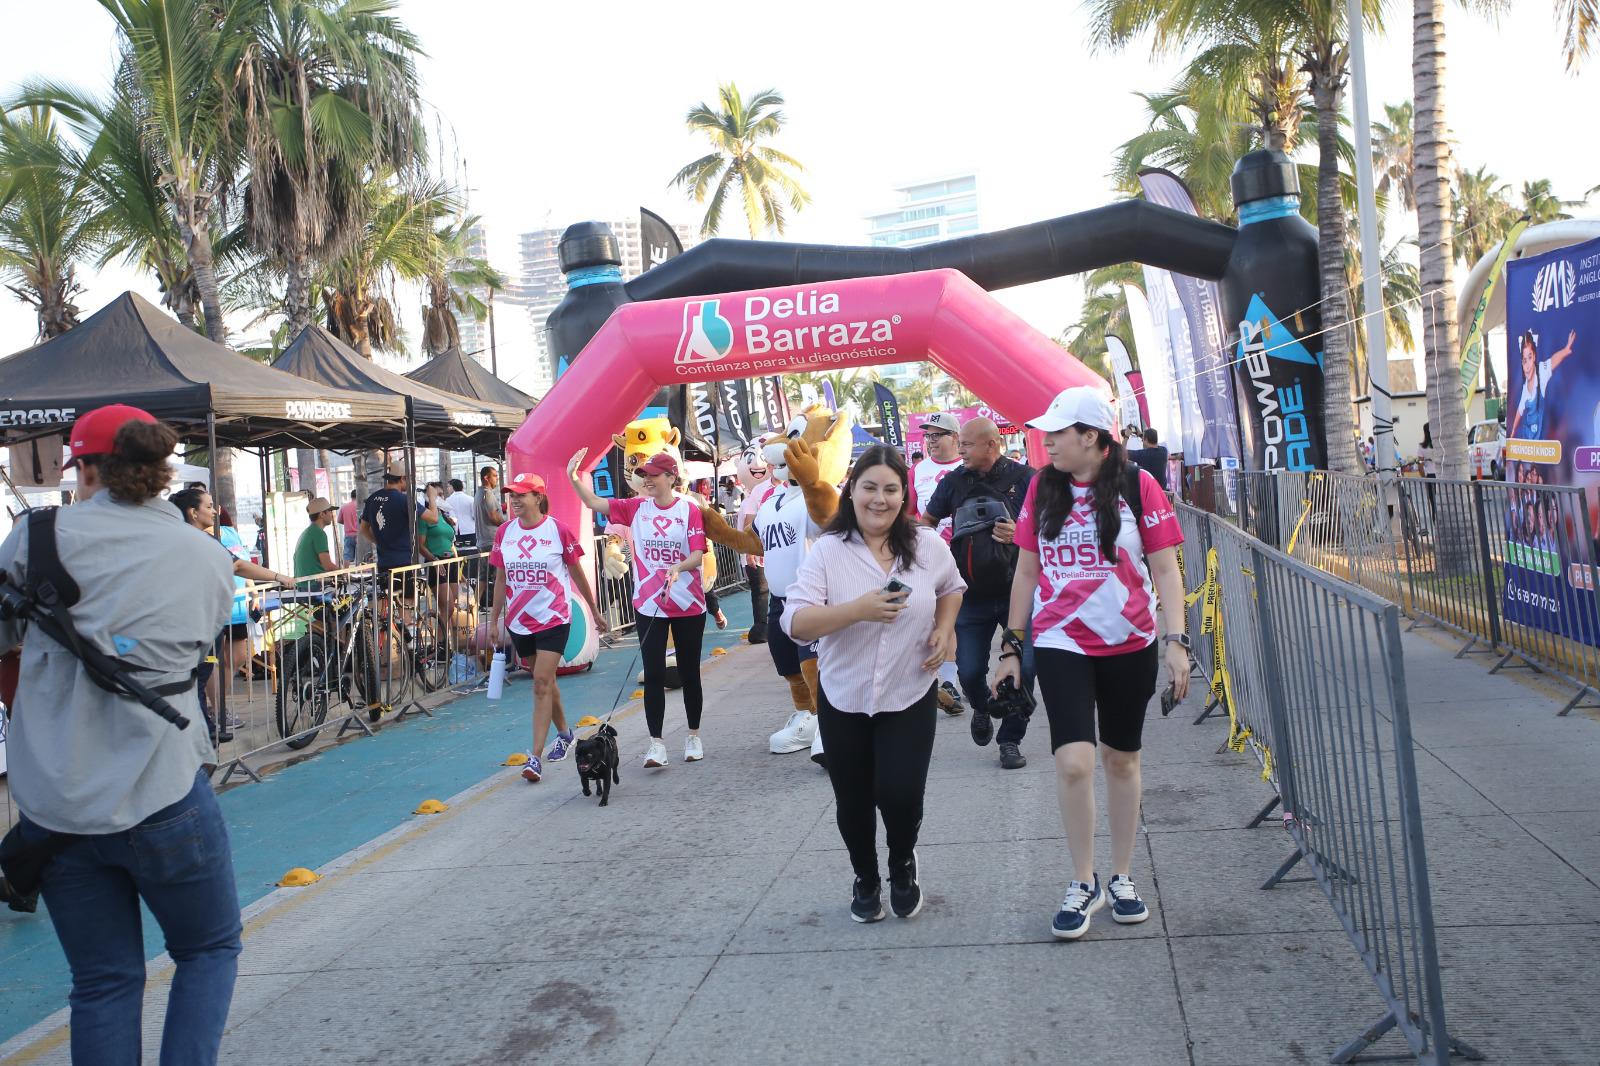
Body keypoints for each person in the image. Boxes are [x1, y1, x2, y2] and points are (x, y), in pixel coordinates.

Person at [0, 405, 241, 1062]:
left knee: (103, 982)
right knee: (208, 948)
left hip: (61, 810)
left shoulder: (32, 540)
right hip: (165, 791)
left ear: (82, 467)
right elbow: (196, 652)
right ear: (162, 472)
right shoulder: (205, 556)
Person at [995, 386, 1189, 940]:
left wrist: (1177, 642)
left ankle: (1123, 876)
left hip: (1131, 641)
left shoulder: (1138, 485)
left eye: (1058, 432)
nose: (1047, 440)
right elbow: (1027, 574)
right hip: (1060, 642)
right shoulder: (1041, 489)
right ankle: (1084, 881)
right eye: (1046, 431)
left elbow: (1168, 570)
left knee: (1121, 760)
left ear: (1094, 438)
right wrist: (1011, 648)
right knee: (1074, 762)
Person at [784, 445, 965, 923]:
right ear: (851, 491)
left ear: (904, 495)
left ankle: (902, 863)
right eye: (869, 488)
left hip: (910, 690)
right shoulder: (828, 550)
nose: (879, 499)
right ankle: (865, 877)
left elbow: (952, 587)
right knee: (854, 799)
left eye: (890, 489)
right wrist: (856, 611)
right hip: (844, 696)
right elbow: (797, 622)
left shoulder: (926, 545)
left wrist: (944, 630)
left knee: (901, 793)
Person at [569, 448, 708, 767]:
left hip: (688, 603)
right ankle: (656, 744)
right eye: (643, 474)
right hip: (649, 605)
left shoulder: (689, 510)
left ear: (671, 478)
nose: (646, 479)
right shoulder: (635, 509)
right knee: (655, 672)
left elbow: (698, 554)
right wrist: (573, 478)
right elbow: (594, 503)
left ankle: (693, 735)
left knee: (689, 673)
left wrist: (679, 567)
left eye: (653, 474)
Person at [920, 416, 1036, 769]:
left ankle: (1010, 741)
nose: (961, 450)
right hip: (970, 595)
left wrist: (1019, 534)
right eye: (960, 443)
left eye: (967, 444)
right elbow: (926, 522)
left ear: (992, 445)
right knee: (969, 672)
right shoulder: (954, 482)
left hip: (1018, 590)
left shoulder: (1026, 479)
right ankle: (983, 707)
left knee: (1025, 667)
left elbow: (1048, 531)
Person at [490, 472, 608, 784]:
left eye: (521, 494)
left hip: (554, 617)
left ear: (538, 497)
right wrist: (494, 619)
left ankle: (535, 757)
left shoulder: (558, 530)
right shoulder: (504, 533)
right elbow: (501, 578)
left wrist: (594, 610)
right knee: (546, 681)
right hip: (520, 621)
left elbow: (576, 572)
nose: (514, 500)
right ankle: (566, 734)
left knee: (540, 683)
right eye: (511, 494)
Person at [171, 488, 293, 730]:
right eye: (208, 506)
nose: (215, 511)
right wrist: (279, 577)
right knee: (196, 682)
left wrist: (274, 579)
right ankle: (203, 738)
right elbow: (237, 566)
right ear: (193, 512)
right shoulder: (198, 541)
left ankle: (205, 730)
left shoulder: (183, 539)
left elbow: (237, 565)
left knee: (199, 678)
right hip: (198, 623)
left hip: (197, 621)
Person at [907, 412, 966, 714]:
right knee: (943, 617)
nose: (930, 441)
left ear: (955, 438)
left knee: (969, 619)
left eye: (937, 435)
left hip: (971, 554)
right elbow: (909, 513)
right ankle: (949, 679)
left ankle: (969, 673)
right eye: (927, 436)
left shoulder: (968, 467)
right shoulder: (917, 471)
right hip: (932, 557)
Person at [1510, 329, 1577, 441]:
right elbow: (1518, 412)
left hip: (1541, 440)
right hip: (1527, 440)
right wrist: (1512, 433)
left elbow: (1553, 360)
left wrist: (1565, 350)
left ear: (1535, 357)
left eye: (1530, 357)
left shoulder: (1541, 372)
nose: (1527, 365)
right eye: (1524, 360)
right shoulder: (1524, 388)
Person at [416, 482, 460, 612]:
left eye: (442, 495)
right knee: (447, 607)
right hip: (436, 563)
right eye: (437, 495)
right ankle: (441, 632)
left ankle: (450, 632)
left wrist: (461, 574)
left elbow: (451, 544)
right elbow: (420, 545)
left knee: (452, 608)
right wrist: (434, 560)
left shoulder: (445, 517)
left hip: (451, 562)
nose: (440, 498)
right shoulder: (425, 517)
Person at [293, 496, 338, 585]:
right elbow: (328, 566)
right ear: (322, 514)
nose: (332, 514)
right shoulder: (319, 533)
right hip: (314, 585)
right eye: (330, 511)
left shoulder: (307, 532)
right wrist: (345, 573)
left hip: (303, 585)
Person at [442, 477, 477, 551]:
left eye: (448, 486)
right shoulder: (470, 499)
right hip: (471, 530)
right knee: (472, 552)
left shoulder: (447, 501)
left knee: (459, 553)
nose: (447, 489)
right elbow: (474, 516)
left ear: (452, 487)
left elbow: (447, 516)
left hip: (455, 531)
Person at [476, 465, 507, 548]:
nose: (497, 478)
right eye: (495, 476)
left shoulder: (479, 492)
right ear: (486, 477)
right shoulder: (487, 493)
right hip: (491, 542)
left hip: (484, 542)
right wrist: (507, 526)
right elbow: (493, 517)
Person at [337, 490, 360, 564]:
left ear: (351, 496)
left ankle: (346, 574)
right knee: (360, 556)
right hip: (359, 536)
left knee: (347, 555)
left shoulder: (344, 507)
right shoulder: (361, 506)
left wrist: (348, 522)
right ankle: (360, 572)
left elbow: (339, 520)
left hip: (348, 535)